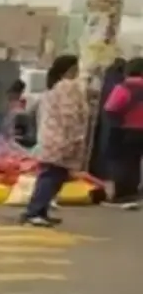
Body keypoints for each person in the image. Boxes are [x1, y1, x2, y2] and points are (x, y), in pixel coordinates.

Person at [21, 55, 88, 227]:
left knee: (53, 176)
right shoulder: (69, 86)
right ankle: (34, 211)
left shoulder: (54, 88)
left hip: (52, 138)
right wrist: (74, 138)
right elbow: (69, 115)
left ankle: (40, 211)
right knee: (51, 177)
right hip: (62, 139)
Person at [103, 56, 143, 208]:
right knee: (136, 162)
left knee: (122, 162)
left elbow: (111, 108)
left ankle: (122, 193)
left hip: (125, 129)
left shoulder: (124, 87)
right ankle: (134, 191)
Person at [90, 57, 126, 180]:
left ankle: (100, 173)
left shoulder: (108, 79)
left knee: (103, 146)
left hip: (105, 118)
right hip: (118, 122)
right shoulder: (121, 82)